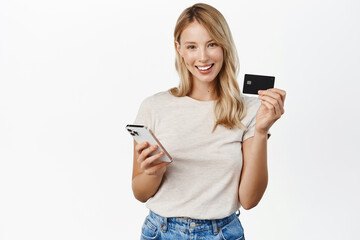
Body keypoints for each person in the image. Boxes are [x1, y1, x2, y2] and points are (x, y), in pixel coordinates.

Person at [131, 3, 286, 240]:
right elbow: (140, 193)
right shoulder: (154, 106)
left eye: (212, 44)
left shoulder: (250, 109)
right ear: (179, 49)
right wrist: (153, 172)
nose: (203, 57)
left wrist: (262, 132)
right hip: (160, 232)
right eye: (192, 46)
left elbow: (249, 200)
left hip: (222, 233)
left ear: (224, 45)